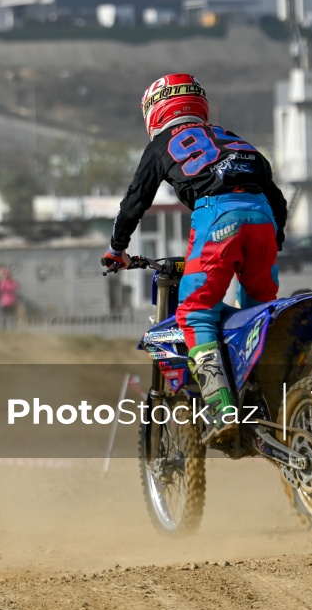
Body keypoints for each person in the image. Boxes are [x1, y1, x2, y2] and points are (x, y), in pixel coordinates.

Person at [101, 74, 287, 443]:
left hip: (217, 215)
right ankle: (265, 400)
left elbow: (136, 200)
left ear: (156, 110)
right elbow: (277, 199)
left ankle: (222, 407)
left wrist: (116, 249)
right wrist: (273, 239)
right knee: (259, 309)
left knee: (195, 311)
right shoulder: (233, 139)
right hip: (263, 217)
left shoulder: (162, 144)